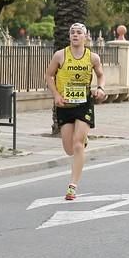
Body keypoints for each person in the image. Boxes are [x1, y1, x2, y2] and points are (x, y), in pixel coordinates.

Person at [46, 23, 108, 200]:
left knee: (78, 144)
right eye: (72, 32)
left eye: (79, 32)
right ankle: (80, 140)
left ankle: (72, 186)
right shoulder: (60, 55)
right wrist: (56, 95)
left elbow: (101, 75)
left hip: (84, 103)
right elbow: (49, 75)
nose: (75, 35)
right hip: (64, 105)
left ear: (85, 36)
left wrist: (100, 88)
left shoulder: (92, 57)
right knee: (69, 148)